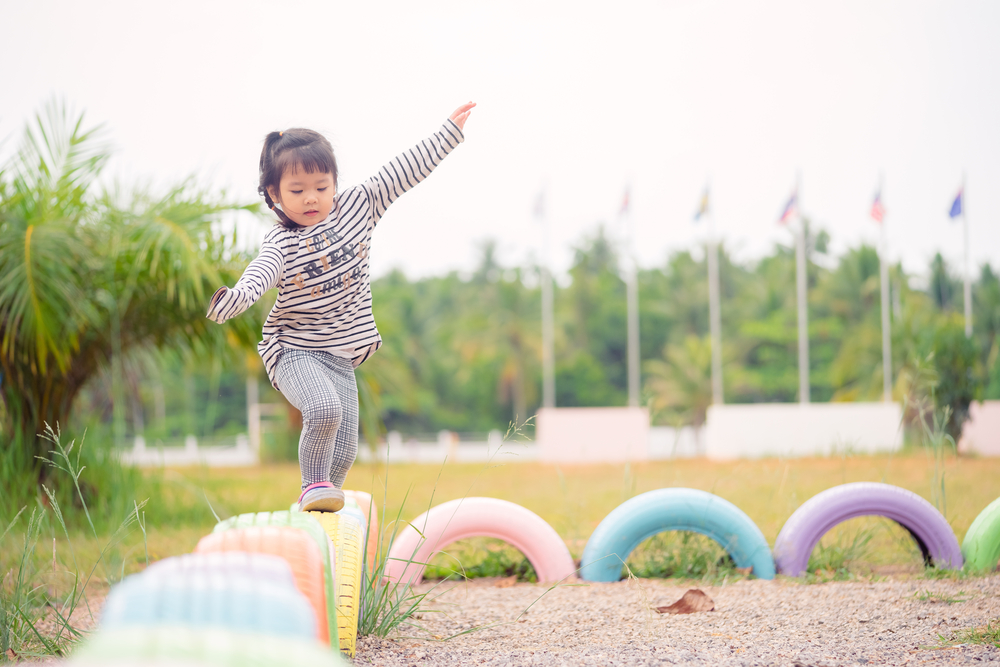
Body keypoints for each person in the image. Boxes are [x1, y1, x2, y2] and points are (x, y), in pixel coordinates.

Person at [207, 102, 476, 512]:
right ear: (274, 195)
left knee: (347, 446)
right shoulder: (282, 243)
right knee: (323, 408)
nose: (311, 198)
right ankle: (311, 487)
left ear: (335, 183)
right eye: (296, 191)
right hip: (293, 350)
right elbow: (260, 273)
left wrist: (447, 133)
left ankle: (322, 511)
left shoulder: (359, 207)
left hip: (341, 355)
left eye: (321, 186)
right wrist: (236, 298)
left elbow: (402, 172)